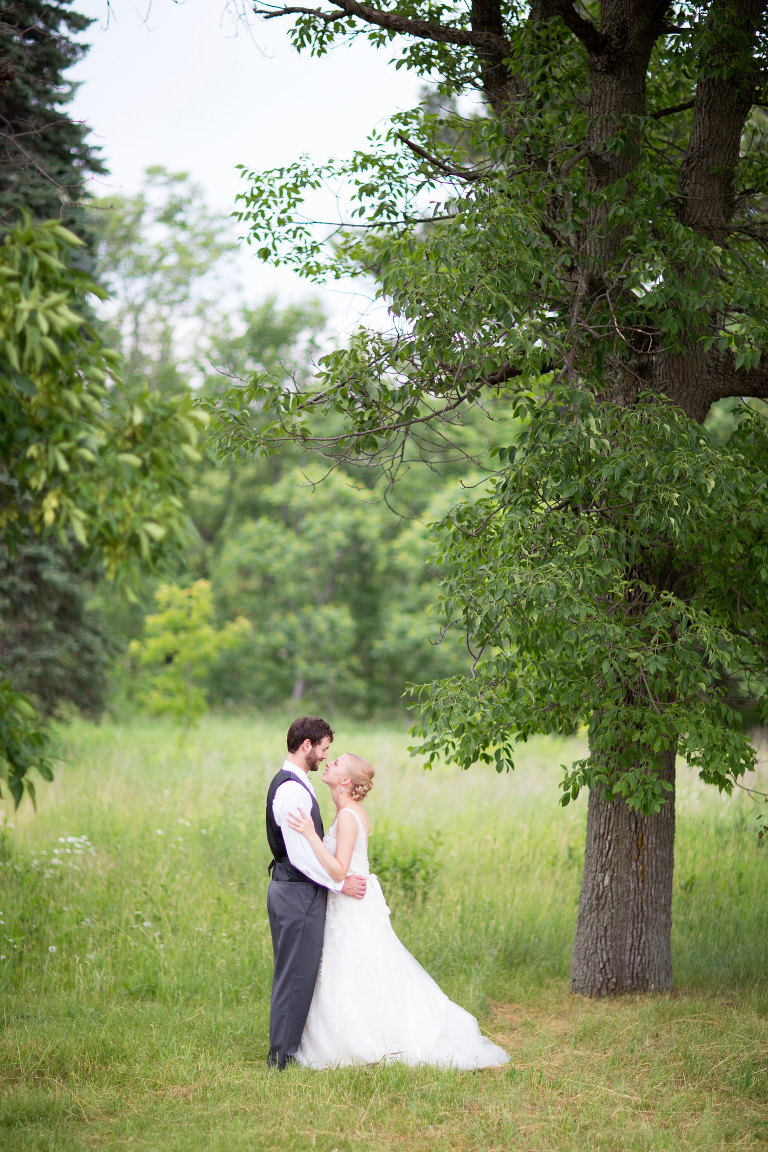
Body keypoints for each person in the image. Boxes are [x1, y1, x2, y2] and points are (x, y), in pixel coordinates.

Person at [286, 752, 509, 1069]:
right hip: (350, 903)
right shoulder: (348, 812)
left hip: (350, 906)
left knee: (352, 968)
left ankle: (364, 1041)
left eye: (336, 764)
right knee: (358, 969)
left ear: (345, 780)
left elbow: (338, 871)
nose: (329, 763)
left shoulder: (349, 817)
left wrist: (310, 835)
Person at [265, 717, 367, 1070]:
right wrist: (340, 883)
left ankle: (286, 1049)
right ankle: (281, 1057)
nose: (325, 756)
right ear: (306, 746)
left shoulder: (298, 784)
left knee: (297, 973)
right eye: (323, 749)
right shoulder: (292, 789)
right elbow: (301, 855)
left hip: (294, 891)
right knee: (295, 975)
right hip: (296, 892)